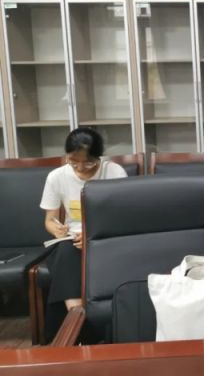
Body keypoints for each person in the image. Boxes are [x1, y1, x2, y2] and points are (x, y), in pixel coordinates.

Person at [41, 128, 127, 332]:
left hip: (107, 238)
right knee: (67, 250)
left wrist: (90, 236)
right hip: (72, 240)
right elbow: (50, 221)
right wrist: (58, 230)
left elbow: (124, 217)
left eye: (88, 162)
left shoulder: (114, 172)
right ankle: (78, 318)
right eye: (73, 161)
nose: (80, 167)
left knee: (74, 255)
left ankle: (78, 327)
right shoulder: (56, 177)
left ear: (99, 157)